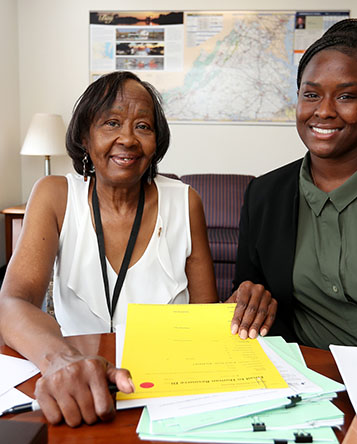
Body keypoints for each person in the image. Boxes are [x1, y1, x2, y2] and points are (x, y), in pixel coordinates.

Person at [0, 71, 276, 427]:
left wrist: (242, 304)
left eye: (143, 126)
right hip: (78, 385)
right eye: (111, 123)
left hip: (168, 390)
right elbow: (11, 302)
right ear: (84, 136)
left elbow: (203, 319)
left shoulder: (185, 202)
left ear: (156, 142)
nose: (127, 139)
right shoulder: (54, 195)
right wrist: (61, 360)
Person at [232, 18, 357, 354]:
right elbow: (250, 292)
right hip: (309, 379)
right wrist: (249, 298)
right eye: (311, 94)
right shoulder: (264, 196)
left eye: (346, 96)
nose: (324, 111)